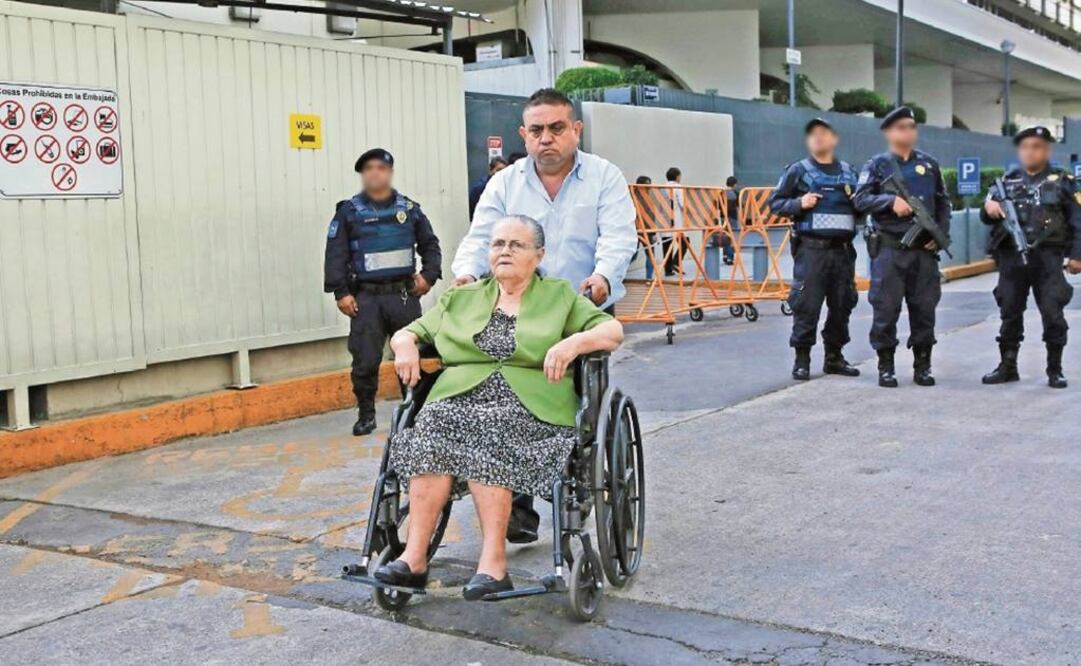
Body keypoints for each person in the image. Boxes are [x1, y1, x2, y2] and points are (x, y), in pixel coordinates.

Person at [377, 215, 624, 599]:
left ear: (539, 254)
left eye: (516, 245)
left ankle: (493, 565)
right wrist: (404, 344)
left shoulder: (559, 295)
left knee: (493, 431)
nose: (504, 251)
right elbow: (413, 331)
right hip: (458, 397)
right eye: (497, 244)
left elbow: (612, 331)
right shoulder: (461, 297)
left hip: (531, 405)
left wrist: (571, 344)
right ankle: (413, 558)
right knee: (430, 428)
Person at [450, 88, 637, 545]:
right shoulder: (505, 183)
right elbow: (480, 237)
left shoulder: (603, 177)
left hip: (580, 303)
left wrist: (601, 279)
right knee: (505, 390)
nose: (546, 139)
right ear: (524, 134)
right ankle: (516, 504)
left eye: (557, 128)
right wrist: (465, 276)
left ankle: (573, 478)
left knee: (569, 402)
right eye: (537, 130)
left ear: (576, 130)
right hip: (515, 306)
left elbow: (618, 236)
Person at [323, 148, 443, 436]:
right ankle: (366, 415)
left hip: (402, 297)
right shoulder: (349, 212)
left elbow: (430, 245)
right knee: (365, 361)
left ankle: (412, 412)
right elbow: (335, 254)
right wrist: (341, 292)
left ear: (389, 172)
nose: (375, 173)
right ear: (363, 175)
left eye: (380, 168)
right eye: (369, 169)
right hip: (366, 300)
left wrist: (428, 276)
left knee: (411, 356)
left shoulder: (409, 209)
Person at [854, 106, 951, 388]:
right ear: (889, 132)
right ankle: (886, 366)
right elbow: (860, 200)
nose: (907, 131)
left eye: (911, 126)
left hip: (924, 252)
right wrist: (888, 202)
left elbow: (943, 203)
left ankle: (923, 366)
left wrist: (940, 233)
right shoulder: (877, 165)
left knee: (925, 309)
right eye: (901, 127)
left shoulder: (929, 165)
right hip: (890, 249)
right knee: (886, 309)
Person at [980, 125, 1081, 388]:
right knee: (1009, 312)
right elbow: (986, 216)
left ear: (1047, 149)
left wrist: (1077, 255)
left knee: (1052, 313)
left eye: (1036, 146)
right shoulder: (1008, 180)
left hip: (1047, 259)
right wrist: (989, 206)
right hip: (1012, 259)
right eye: (1025, 146)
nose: (1030, 151)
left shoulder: (1064, 181)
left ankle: (1054, 369)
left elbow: (1078, 220)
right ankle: (1008, 366)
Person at [768, 117, 861, 381]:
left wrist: (859, 203)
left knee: (842, 304)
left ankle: (834, 357)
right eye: (813, 134)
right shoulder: (799, 171)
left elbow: (864, 208)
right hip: (812, 251)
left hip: (843, 252)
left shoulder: (850, 173)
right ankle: (802, 359)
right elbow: (774, 203)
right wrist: (800, 203)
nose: (818, 138)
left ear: (834, 138)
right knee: (807, 304)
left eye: (823, 133)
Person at [663, 167, 686, 276]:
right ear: (677, 176)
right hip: (676, 220)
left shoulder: (661, 187)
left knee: (666, 244)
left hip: (663, 220)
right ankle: (676, 262)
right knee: (685, 243)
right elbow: (682, 204)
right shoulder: (678, 187)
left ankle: (668, 270)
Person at [723, 176, 740, 265]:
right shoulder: (735, 193)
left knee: (725, 236)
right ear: (734, 184)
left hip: (723, 217)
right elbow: (739, 205)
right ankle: (730, 256)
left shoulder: (722, 192)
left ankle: (725, 255)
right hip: (732, 217)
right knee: (732, 236)